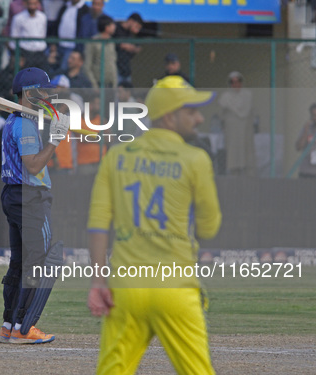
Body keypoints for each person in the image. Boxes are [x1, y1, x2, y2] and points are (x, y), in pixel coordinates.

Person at [87, 75, 221, 374]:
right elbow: (209, 227)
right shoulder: (196, 159)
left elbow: (98, 224)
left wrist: (97, 281)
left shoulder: (116, 155)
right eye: (191, 111)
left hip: (126, 290)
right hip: (176, 288)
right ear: (170, 117)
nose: (199, 118)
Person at [0, 67, 70, 344]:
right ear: (30, 93)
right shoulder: (25, 124)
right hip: (29, 197)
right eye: (43, 90)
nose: (48, 96)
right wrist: (55, 141)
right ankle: (24, 327)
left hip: (15, 196)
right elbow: (33, 164)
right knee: (39, 263)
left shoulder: (13, 120)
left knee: (20, 262)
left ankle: (10, 324)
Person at [218, 71, 256, 175]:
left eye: (238, 81)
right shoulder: (225, 97)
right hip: (232, 134)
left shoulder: (248, 95)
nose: (236, 84)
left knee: (247, 157)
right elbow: (222, 115)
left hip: (245, 132)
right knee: (233, 159)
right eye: (232, 82)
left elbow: (247, 113)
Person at [84, 15, 118, 89]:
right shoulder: (93, 42)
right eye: (112, 25)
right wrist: (94, 85)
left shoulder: (112, 42)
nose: (114, 27)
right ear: (107, 27)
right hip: (98, 83)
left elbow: (113, 62)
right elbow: (87, 65)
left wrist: (115, 83)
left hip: (110, 85)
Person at [113, 12, 143, 84]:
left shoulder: (130, 35)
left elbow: (135, 48)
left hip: (126, 68)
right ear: (131, 21)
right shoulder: (116, 28)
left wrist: (133, 49)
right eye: (137, 26)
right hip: (115, 67)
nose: (137, 30)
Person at [295, 102, 316, 178]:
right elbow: (299, 147)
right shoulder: (307, 128)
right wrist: (306, 131)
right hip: (306, 171)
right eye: (314, 115)